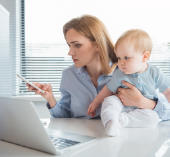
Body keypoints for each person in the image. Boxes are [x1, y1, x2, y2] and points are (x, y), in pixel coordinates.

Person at [26, 15, 170, 122]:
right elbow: (66, 117)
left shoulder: (127, 71)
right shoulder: (69, 75)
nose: (70, 52)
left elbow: (166, 115)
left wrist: (144, 103)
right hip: (83, 140)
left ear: (97, 45)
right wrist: (50, 98)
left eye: (77, 45)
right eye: (69, 45)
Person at [87, 29, 170, 136]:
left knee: (153, 118)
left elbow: (167, 91)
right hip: (120, 104)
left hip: (142, 109)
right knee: (109, 101)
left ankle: (120, 121)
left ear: (144, 57)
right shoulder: (119, 73)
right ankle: (110, 122)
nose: (121, 63)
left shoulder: (155, 73)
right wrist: (96, 102)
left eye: (126, 57)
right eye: (119, 58)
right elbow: (108, 89)